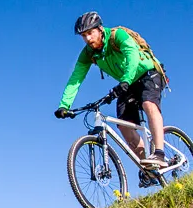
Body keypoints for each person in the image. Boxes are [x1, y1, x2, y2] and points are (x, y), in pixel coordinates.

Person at [54, 11, 168, 187]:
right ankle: (150, 168)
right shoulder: (88, 54)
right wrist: (64, 105)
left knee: (148, 104)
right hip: (126, 83)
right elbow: (75, 79)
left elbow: (132, 56)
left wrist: (126, 80)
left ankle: (159, 153)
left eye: (90, 33)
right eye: (84, 36)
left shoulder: (117, 35)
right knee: (123, 125)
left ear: (100, 29)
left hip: (147, 72)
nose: (88, 39)